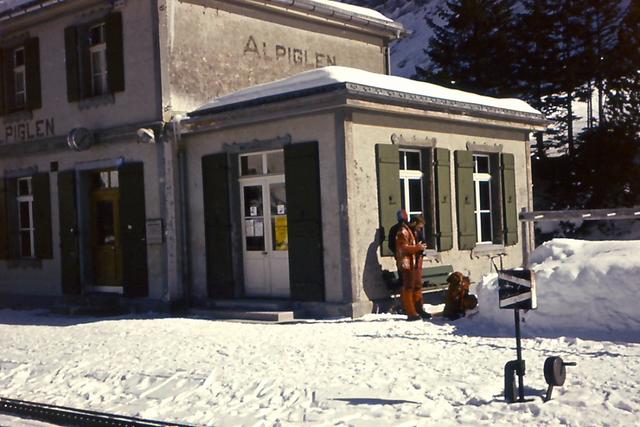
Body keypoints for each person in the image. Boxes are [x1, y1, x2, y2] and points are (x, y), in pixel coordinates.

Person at [394, 213, 431, 321]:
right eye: (420, 226)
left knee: (418, 285)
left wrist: (420, 247)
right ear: (414, 223)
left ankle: (419, 309)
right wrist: (417, 248)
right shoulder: (403, 232)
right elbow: (402, 248)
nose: (420, 229)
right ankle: (411, 312)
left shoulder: (414, 232)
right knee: (408, 287)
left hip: (416, 263)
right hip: (407, 263)